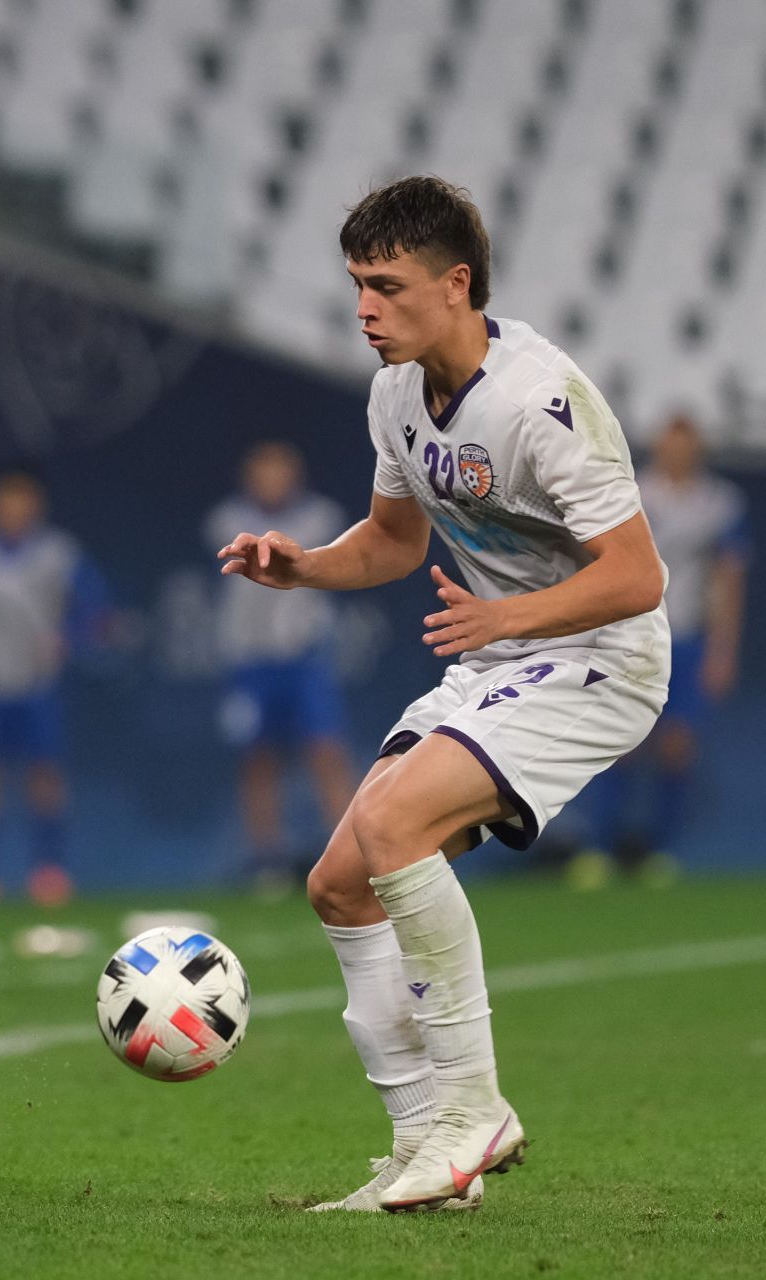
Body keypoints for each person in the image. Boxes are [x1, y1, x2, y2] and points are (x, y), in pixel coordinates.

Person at [219, 177, 668, 1212]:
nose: (365, 309)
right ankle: (427, 1145)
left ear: (456, 283)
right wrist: (304, 567)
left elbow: (638, 575)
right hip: (503, 660)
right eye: (355, 286)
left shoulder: (540, 397)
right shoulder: (394, 392)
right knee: (338, 881)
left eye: (386, 285)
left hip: (603, 655)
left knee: (390, 820)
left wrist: (506, 619)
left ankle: (476, 1110)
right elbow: (390, 540)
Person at [571, 413, 747, 886]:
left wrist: (723, 650)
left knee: (676, 746)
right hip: (631, 634)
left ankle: (661, 853)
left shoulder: (720, 503)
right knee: (619, 741)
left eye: (686, 445)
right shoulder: (633, 492)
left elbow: (729, 577)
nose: (677, 453)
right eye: (670, 445)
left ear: (698, 450)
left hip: (688, 637)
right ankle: (601, 849)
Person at [0, 470, 106, 908]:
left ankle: (49, 869)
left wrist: (70, 635)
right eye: (5, 501)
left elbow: (92, 610)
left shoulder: (58, 554)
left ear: (36, 506)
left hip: (40, 684)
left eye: (23, 501)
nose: (14, 510)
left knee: (45, 776)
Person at [204, 441, 357, 889]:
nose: (271, 478)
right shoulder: (225, 520)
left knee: (326, 751)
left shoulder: (322, 518)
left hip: (304, 656)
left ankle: (351, 855)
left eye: (279, 469)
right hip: (250, 662)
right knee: (258, 758)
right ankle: (267, 861)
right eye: (262, 469)